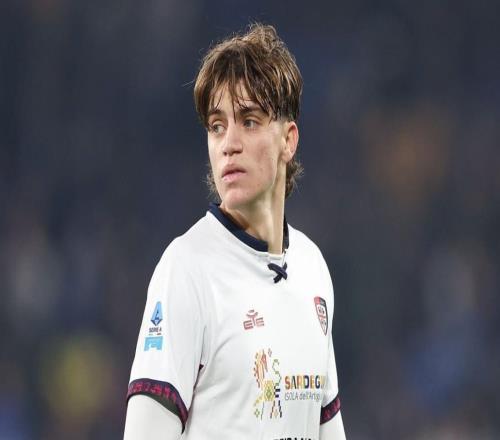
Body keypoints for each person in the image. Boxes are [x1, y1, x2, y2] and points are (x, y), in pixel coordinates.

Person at [123, 23, 346, 439]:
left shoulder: (312, 268)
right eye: (217, 125)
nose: (229, 143)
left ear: (288, 140)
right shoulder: (186, 270)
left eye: (249, 121)